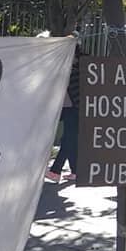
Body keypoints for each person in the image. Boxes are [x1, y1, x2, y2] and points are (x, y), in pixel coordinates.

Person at [45, 39, 82, 183]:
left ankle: (55, 170)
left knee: (68, 139)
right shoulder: (73, 64)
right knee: (69, 139)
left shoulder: (75, 66)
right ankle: (75, 171)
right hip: (71, 107)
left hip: (74, 107)